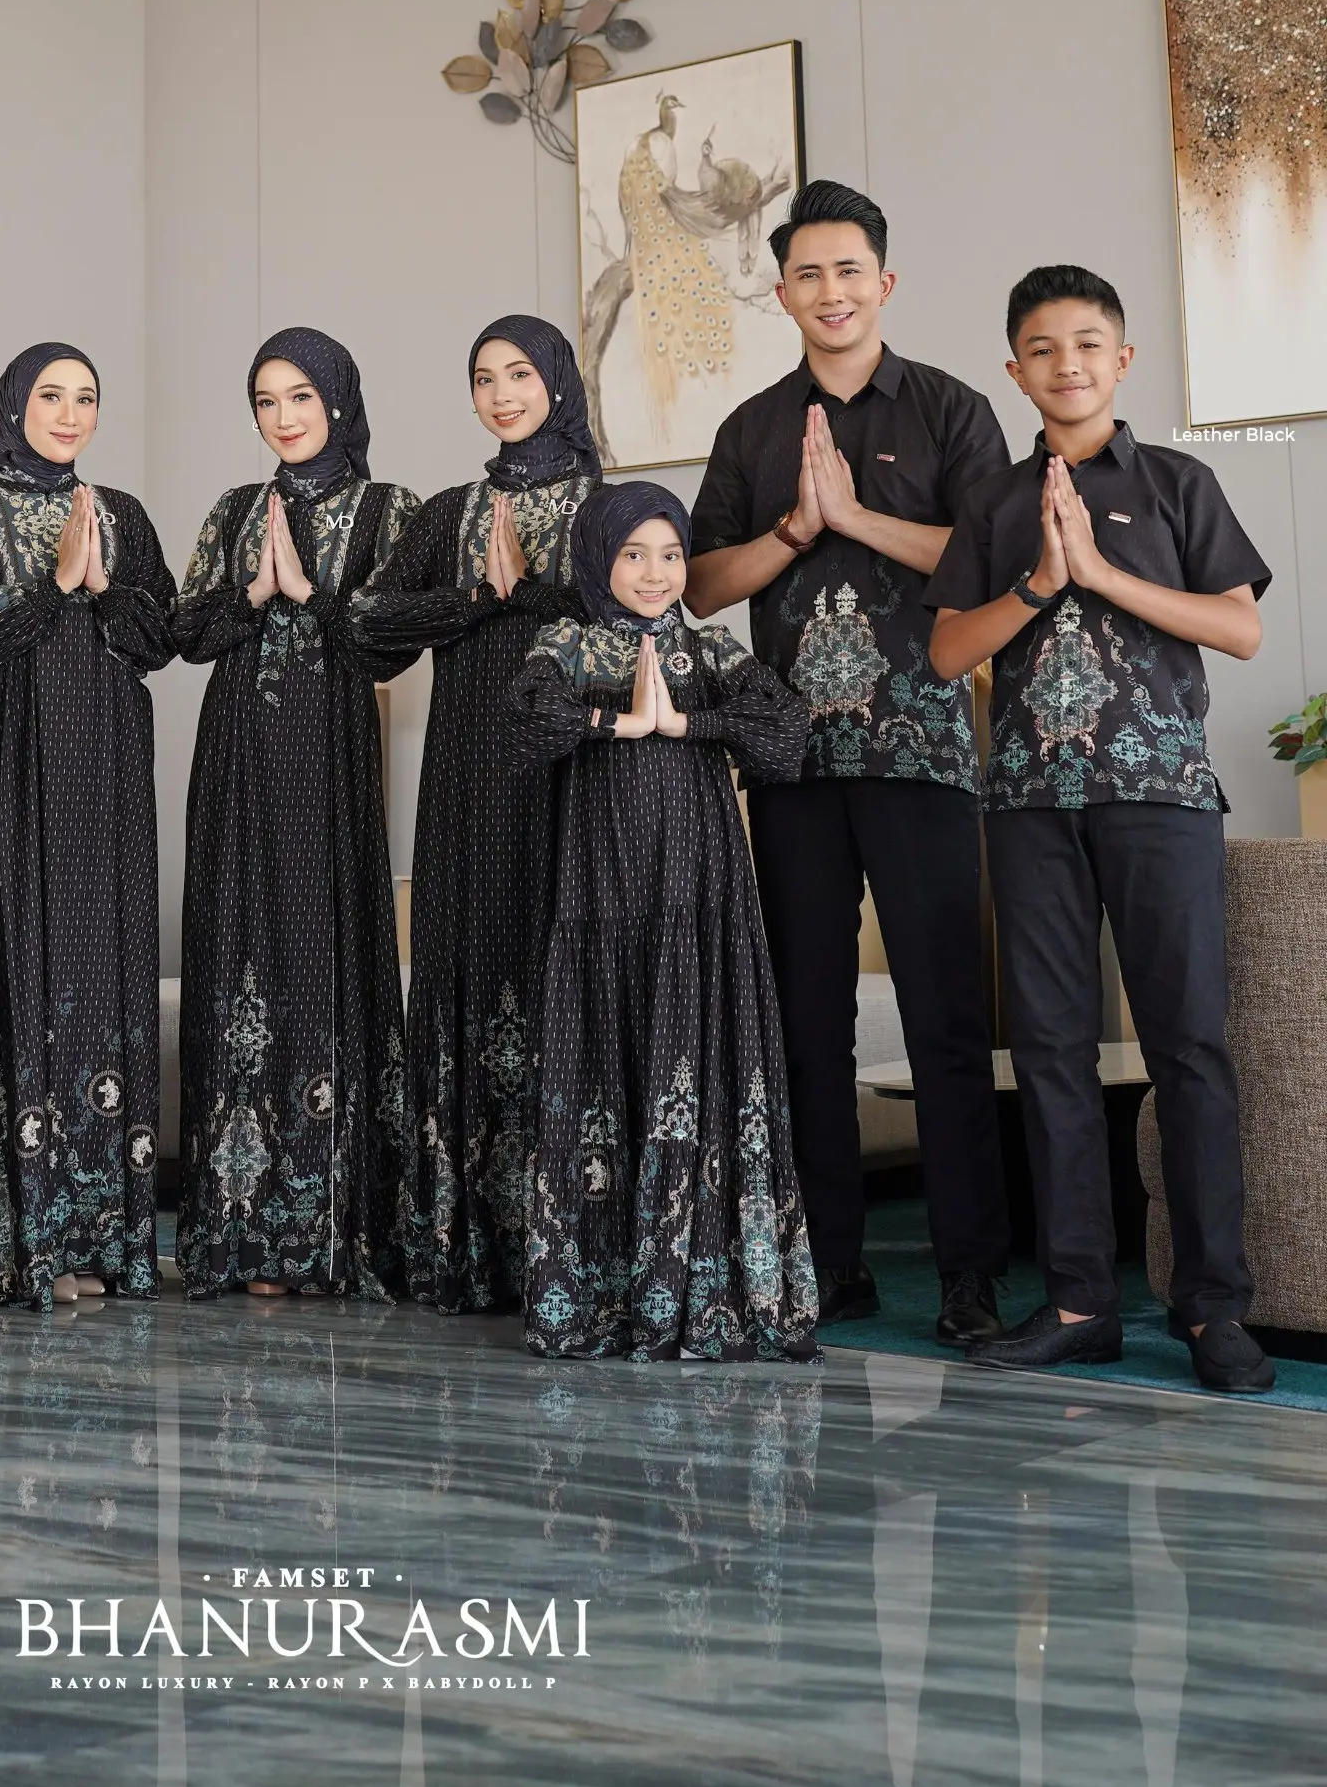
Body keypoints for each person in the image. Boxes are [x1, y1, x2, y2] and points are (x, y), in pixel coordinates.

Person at [924, 266, 1274, 1393]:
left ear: (1121, 360)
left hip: (1161, 799)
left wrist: (1103, 575)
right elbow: (944, 653)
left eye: (1086, 343)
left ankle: (1212, 1309)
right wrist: (1038, 583)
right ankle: (1078, 1301)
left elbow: (1238, 630)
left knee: (1189, 1048)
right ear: (1014, 371)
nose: (1065, 363)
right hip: (1028, 808)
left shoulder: (1176, 481)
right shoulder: (991, 502)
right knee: (1049, 1052)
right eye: (1041, 347)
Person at [686, 179, 1010, 1345]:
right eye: (807, 274)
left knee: (945, 1023)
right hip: (789, 764)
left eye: (848, 270)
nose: (830, 291)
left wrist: (855, 516)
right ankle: (827, 1264)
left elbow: (989, 560)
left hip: (919, 755)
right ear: (780, 293)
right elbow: (696, 584)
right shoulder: (749, 430)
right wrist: (789, 528)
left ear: (884, 281)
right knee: (804, 1025)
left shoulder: (950, 409)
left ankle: (970, 1276)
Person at [512, 479, 817, 1360]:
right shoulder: (568, 642)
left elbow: (788, 729)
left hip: (698, 887)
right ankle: (607, 1288)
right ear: (597, 559)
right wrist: (617, 722)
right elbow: (525, 722)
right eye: (633, 554)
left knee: (692, 1044)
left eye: (672, 554)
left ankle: (698, 1282)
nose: (655, 573)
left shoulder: (710, 648)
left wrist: (684, 725)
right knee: (609, 1046)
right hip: (603, 892)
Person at [351, 316, 598, 1311]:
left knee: (555, 958)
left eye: (520, 374)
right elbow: (367, 622)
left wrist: (529, 591)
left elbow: (634, 613)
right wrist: (476, 601)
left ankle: (571, 1241)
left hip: (570, 770)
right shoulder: (450, 511)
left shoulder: (604, 505)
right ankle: (471, 1243)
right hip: (466, 774)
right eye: (484, 378)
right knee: (475, 955)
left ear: (557, 383)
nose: (501, 394)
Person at [0, 345, 175, 1310]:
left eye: (86, 399)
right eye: (50, 396)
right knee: (10, 966)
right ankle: (15, 1240)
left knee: (102, 975)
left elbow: (162, 639)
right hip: (11, 770)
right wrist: (49, 586)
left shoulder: (125, 516)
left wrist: (103, 589)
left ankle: (99, 1235)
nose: (69, 414)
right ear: (14, 406)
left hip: (107, 775)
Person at [174, 327, 419, 1301]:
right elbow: (184, 630)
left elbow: (393, 638)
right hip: (236, 758)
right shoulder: (235, 509)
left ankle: (329, 1229)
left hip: (328, 758)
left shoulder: (387, 509)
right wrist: (253, 592)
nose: (282, 418)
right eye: (265, 402)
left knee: (323, 958)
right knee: (238, 950)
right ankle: (245, 1236)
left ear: (339, 402)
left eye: (300, 398)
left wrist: (308, 594)